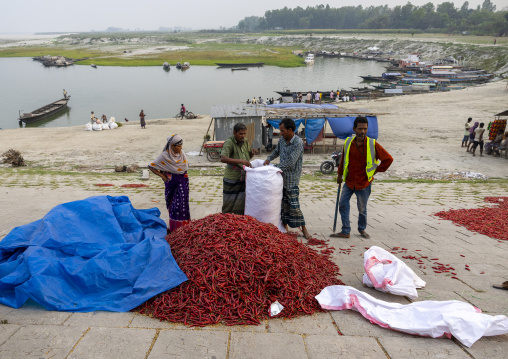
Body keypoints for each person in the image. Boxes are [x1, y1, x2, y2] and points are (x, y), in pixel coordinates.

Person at [331, 116, 393, 239]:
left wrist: (376, 170)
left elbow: (388, 159)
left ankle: (362, 229)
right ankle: (345, 230)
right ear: (354, 129)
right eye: (360, 129)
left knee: (362, 209)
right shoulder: (348, 142)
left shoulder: (372, 144)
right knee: (342, 204)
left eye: (365, 129)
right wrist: (339, 174)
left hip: (364, 182)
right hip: (349, 181)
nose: (362, 132)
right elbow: (343, 160)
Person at [263, 118, 311, 239]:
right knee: (282, 205)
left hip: (291, 179)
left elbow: (290, 162)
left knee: (294, 205)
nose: (281, 133)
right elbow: (276, 151)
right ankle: (284, 228)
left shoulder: (298, 143)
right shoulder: (282, 140)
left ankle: (304, 229)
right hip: (280, 178)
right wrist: (269, 159)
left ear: (290, 130)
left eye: (283, 131)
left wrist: (274, 168)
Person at [148, 135, 190, 232]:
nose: (181, 148)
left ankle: (185, 228)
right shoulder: (165, 156)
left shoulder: (182, 153)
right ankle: (175, 228)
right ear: (172, 145)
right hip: (171, 183)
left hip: (183, 181)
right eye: (179, 146)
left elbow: (185, 166)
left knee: (183, 205)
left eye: (181, 145)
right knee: (174, 205)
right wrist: (163, 176)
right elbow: (151, 166)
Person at [220, 123, 257, 215]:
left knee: (241, 203)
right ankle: (226, 220)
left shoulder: (245, 142)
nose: (243, 136)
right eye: (241, 134)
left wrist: (252, 152)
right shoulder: (229, 142)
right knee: (229, 203)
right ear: (234, 133)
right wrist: (240, 161)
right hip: (232, 177)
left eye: (244, 134)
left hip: (243, 177)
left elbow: (248, 156)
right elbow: (223, 158)